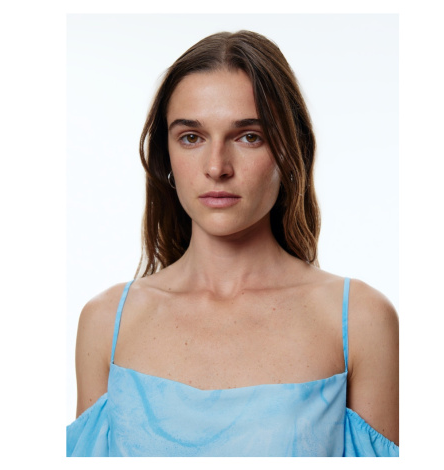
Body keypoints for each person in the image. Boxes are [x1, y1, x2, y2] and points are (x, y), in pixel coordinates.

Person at [66, 30, 399, 457]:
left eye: (249, 136)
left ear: (289, 150)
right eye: (191, 137)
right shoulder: (106, 323)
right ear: (166, 157)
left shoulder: (359, 321)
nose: (216, 167)